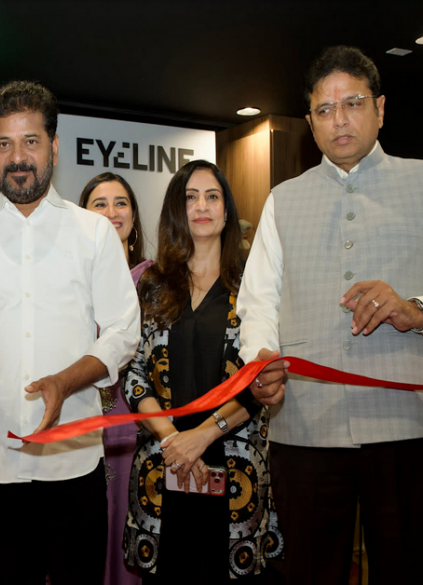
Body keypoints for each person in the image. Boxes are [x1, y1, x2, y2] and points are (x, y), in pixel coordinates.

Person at [239, 45, 423, 584]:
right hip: (306, 429)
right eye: (324, 109)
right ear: (311, 121)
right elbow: (258, 302)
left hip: (409, 426)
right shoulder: (282, 199)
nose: (339, 119)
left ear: (380, 109)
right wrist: (260, 359)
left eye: (353, 103)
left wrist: (418, 310)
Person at [0, 80, 140, 584]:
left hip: (73, 464)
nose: (17, 157)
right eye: (4, 144)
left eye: (31, 142)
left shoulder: (94, 234)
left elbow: (123, 331)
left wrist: (66, 382)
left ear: (54, 147)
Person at [120, 160, 279, 582]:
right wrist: (174, 440)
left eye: (212, 196)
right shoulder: (152, 284)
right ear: (177, 209)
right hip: (164, 462)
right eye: (190, 198)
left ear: (227, 209)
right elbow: (134, 374)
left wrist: (203, 436)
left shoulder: (253, 283)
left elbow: (261, 378)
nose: (202, 206)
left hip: (235, 463)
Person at [79, 171, 150, 585]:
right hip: (79, 424)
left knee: (131, 523)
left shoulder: (155, 281)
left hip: (137, 427)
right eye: (99, 204)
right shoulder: (69, 285)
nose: (111, 212)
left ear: (134, 217)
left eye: (120, 203)